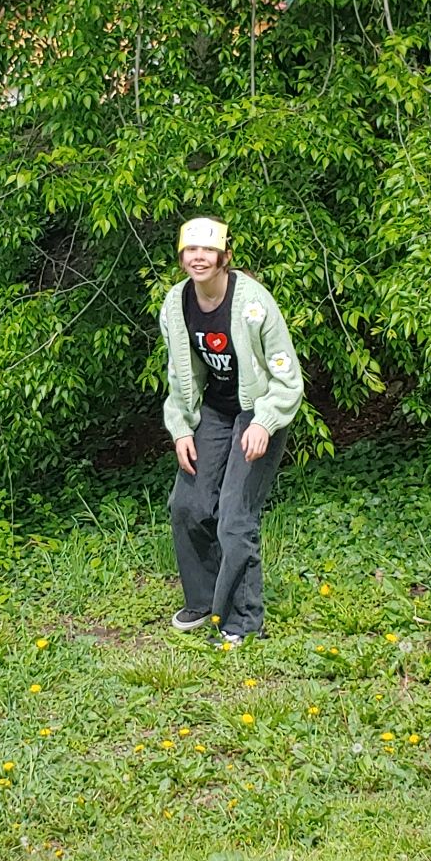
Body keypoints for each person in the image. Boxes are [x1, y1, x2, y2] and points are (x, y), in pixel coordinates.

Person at [159, 216, 303, 646]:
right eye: (191, 249)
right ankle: (205, 601)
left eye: (208, 250)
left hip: (260, 411)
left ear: (225, 256)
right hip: (217, 412)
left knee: (234, 517)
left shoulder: (254, 303)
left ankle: (242, 621)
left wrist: (264, 421)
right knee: (187, 505)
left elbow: (288, 378)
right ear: (182, 255)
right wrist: (181, 427)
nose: (199, 257)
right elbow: (180, 374)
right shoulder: (176, 304)